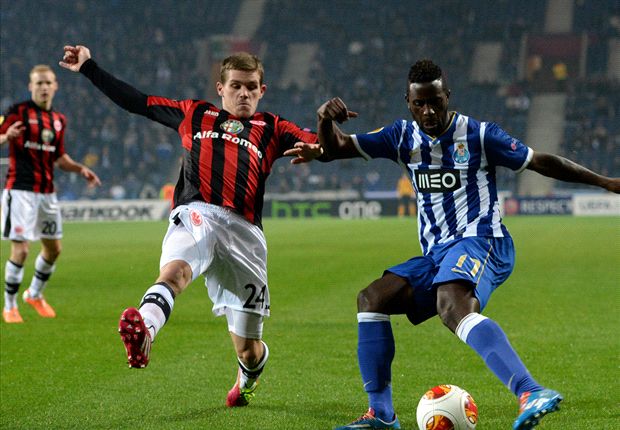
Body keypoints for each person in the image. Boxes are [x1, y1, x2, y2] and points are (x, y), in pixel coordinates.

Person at [310, 59, 620, 430]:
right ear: (408, 103)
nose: (428, 111)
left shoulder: (479, 135)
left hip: (482, 239)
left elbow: (539, 161)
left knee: (451, 304)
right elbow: (336, 147)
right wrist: (324, 120)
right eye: (420, 104)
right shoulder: (400, 137)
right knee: (372, 299)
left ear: (448, 97)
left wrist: (605, 182)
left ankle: (530, 391)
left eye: (435, 102)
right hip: (437, 253)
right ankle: (381, 414)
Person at [59, 45, 323, 407]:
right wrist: (90, 67)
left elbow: (320, 144)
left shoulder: (273, 127)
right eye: (236, 86)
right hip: (197, 214)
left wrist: (323, 138)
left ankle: (247, 378)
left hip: (245, 235)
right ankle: (145, 331)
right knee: (175, 274)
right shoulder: (195, 113)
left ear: (262, 90)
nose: (243, 93)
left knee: (248, 350)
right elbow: (138, 102)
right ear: (221, 88)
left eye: (251, 87)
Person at [1, 64, 101, 324]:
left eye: (48, 83)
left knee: (54, 249)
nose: (43, 87)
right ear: (30, 86)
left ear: (55, 86)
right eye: (39, 83)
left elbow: (59, 157)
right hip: (20, 191)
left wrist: (80, 169)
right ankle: (9, 306)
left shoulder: (58, 120)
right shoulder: (17, 112)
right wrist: (6, 136)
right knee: (21, 250)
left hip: (47, 193)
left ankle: (34, 294)